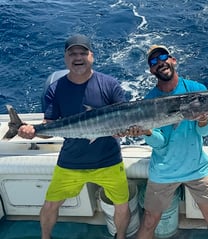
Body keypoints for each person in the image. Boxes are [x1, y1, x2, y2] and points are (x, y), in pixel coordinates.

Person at [18, 34, 130, 239]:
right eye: (72, 53)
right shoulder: (55, 89)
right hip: (70, 162)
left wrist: (130, 128)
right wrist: (31, 132)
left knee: (121, 204)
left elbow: (125, 118)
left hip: (109, 160)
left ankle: (120, 237)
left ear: (92, 56)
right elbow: (49, 128)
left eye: (83, 53)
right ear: (65, 58)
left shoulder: (110, 84)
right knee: (51, 203)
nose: (78, 57)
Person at [127, 45, 208, 239]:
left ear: (173, 60)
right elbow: (160, 143)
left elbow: (204, 131)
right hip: (164, 171)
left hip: (196, 167)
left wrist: (202, 118)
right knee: (149, 221)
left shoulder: (196, 90)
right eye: (154, 62)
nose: (160, 63)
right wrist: (147, 132)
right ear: (151, 70)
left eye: (163, 57)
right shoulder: (149, 101)